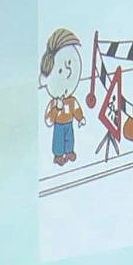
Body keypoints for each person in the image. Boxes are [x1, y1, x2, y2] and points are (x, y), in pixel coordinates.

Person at [40, 28, 86, 166]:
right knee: (58, 141)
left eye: (69, 64)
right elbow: (49, 120)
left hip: (69, 123)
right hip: (59, 125)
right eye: (60, 70)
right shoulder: (54, 103)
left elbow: (76, 109)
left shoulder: (71, 100)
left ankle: (69, 152)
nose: (68, 71)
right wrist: (56, 109)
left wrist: (80, 118)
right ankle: (59, 155)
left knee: (69, 139)